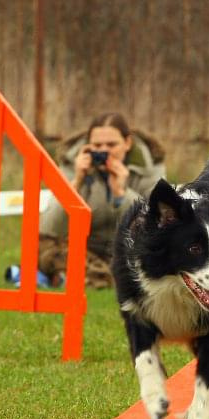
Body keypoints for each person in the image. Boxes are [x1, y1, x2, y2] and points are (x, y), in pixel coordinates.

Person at [37, 112, 166, 288]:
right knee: (44, 249)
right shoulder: (72, 165)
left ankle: (74, 278)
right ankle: (95, 277)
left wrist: (122, 194)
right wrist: (76, 182)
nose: (104, 151)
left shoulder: (150, 168)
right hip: (83, 249)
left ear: (127, 143)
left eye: (111, 145)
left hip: (127, 248)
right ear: (88, 145)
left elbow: (155, 225)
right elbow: (49, 227)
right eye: (97, 145)